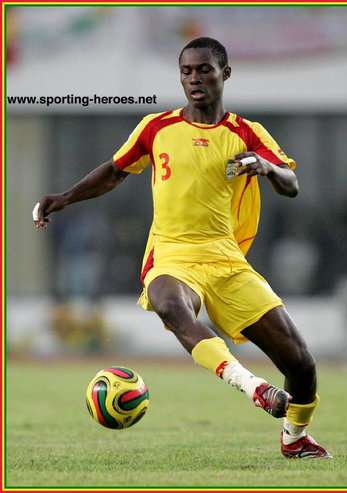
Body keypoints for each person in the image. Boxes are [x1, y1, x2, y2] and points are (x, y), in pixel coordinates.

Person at [34, 37, 331, 459]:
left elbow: (292, 184)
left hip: (226, 259)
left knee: (301, 364)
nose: (195, 78)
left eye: (204, 70)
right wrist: (63, 198)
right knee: (169, 304)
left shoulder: (246, 133)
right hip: (172, 254)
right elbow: (114, 172)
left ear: (224, 74)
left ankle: (295, 437)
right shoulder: (157, 127)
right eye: (187, 71)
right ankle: (253, 388)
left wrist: (265, 166)